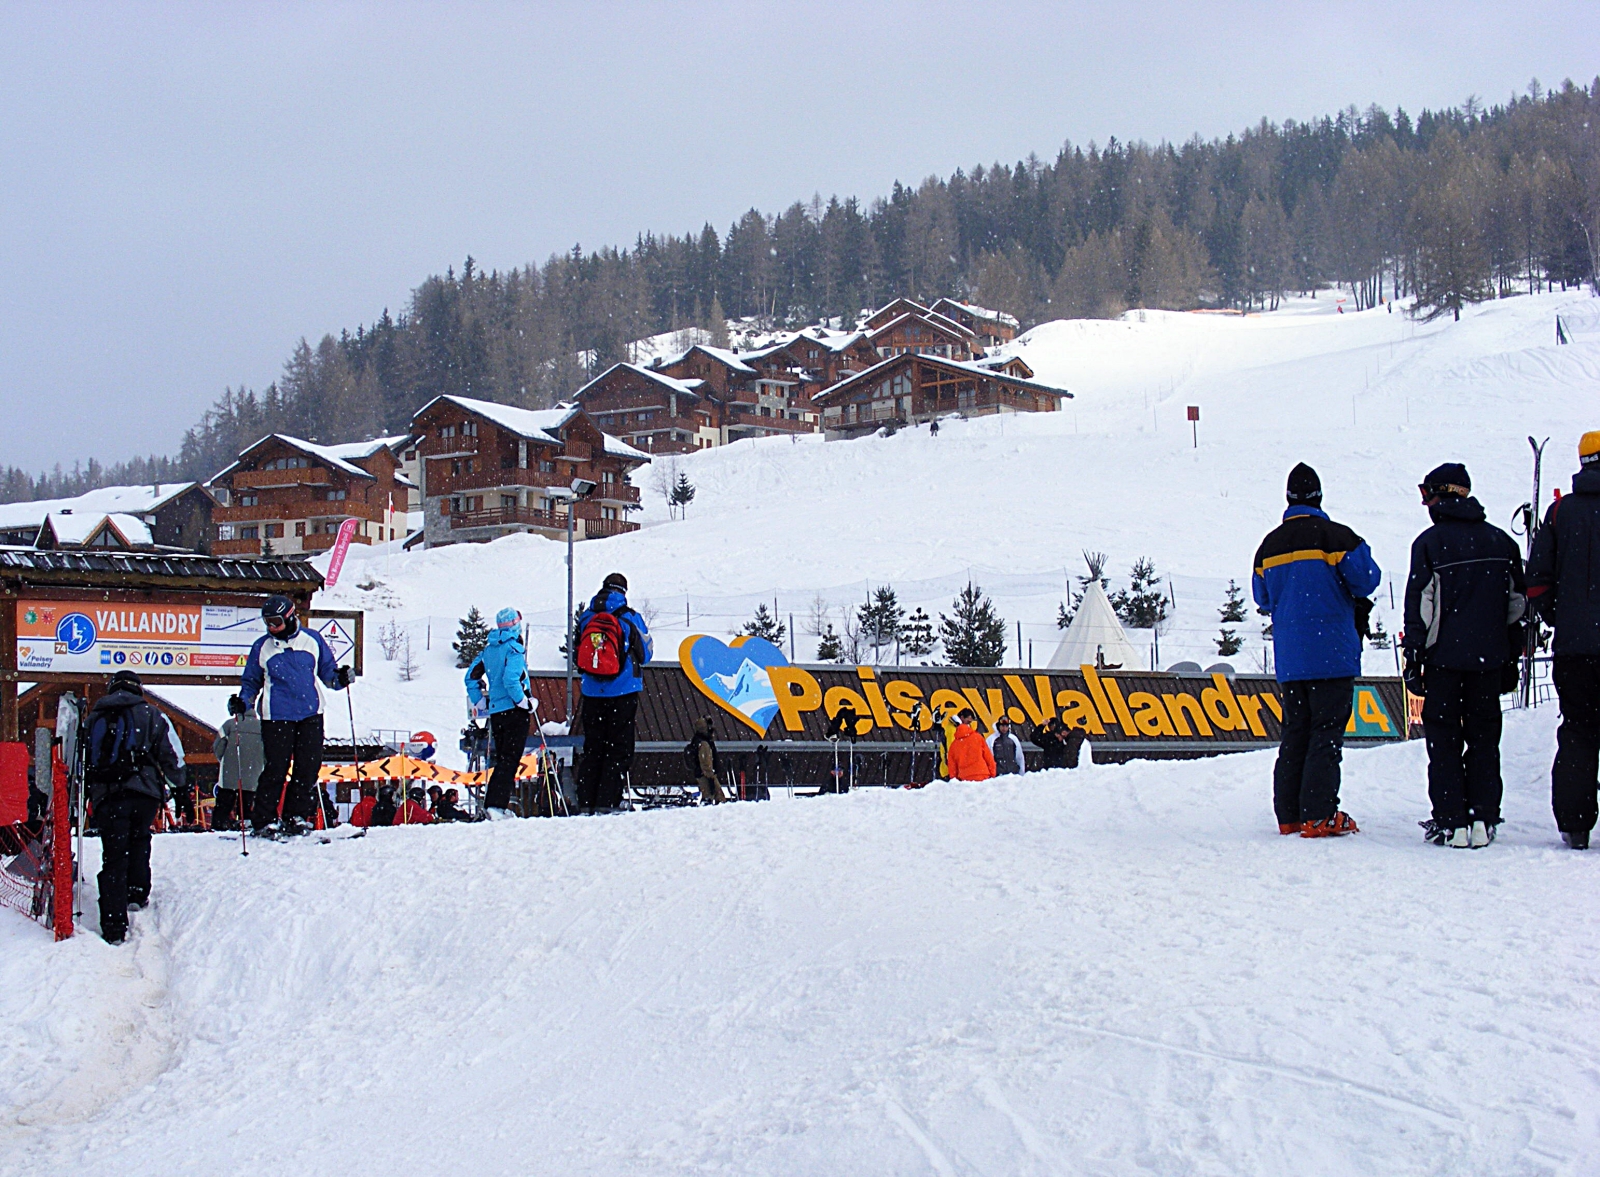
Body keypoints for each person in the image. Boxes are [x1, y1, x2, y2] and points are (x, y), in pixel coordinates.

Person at [1252, 462, 1381, 838]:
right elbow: (1366, 580)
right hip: (1332, 654)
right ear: (1319, 496)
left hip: (1292, 660)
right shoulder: (1337, 537)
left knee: (1295, 733)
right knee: (1326, 734)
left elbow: (1262, 598)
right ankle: (1319, 814)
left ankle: (1290, 815)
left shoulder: (1268, 547)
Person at [1403, 463, 1525, 849]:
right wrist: (1509, 655)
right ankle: (1483, 818)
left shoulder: (1429, 543)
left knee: (1443, 740)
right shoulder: (1502, 543)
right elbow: (1516, 607)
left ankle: (1451, 819)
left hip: (1443, 661)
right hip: (1489, 660)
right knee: (1485, 737)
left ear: (1441, 495)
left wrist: (1414, 656)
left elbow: (1421, 607)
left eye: (1427, 494)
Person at [1527, 431, 1600, 849]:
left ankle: (1575, 824)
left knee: (1578, 731)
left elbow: (1536, 581)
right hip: (1577, 641)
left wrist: (1561, 617)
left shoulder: (1558, 514)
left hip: (1574, 650)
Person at [83, 670, 184, 944]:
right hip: (144, 792)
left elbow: (82, 760)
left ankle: (114, 925)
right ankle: (137, 892)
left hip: (108, 795)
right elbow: (171, 754)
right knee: (139, 838)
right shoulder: (152, 715)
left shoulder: (93, 719)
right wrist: (179, 785)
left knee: (113, 855)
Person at [240, 595, 351, 837]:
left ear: (290, 617)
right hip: (276, 716)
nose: (271, 627)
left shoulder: (312, 640)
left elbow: (328, 674)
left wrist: (340, 679)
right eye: (267, 622)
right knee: (276, 768)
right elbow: (251, 682)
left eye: (276, 621)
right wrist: (243, 701)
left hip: (310, 714)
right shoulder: (262, 646)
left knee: (308, 768)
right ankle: (263, 820)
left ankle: (296, 817)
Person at [574, 573, 653, 812]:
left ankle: (586, 801)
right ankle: (607, 802)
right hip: (623, 691)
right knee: (618, 749)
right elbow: (646, 654)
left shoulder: (587, 617)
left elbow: (578, 651)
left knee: (593, 748)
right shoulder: (630, 617)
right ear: (623, 592)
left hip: (591, 692)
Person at [465, 607, 534, 820]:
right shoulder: (514, 649)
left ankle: (493, 803)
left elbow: (470, 678)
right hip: (514, 710)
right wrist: (524, 701)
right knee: (510, 760)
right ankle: (496, 805)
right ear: (515, 624)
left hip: (496, 712)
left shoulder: (488, 649)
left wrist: (480, 701)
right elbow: (511, 679)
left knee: (502, 759)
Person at [211, 694, 264, 830]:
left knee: (224, 804)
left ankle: (219, 826)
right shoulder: (262, 727)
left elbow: (218, 747)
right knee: (247, 804)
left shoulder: (229, 725)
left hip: (229, 775)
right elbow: (268, 753)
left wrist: (225, 760)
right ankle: (246, 824)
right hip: (254, 776)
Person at [946, 710, 996, 781]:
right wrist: (992, 774)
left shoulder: (954, 744)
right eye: (968, 721)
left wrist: (954, 780)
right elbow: (989, 758)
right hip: (983, 775)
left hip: (964, 778)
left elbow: (952, 766)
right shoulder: (978, 737)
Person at [686, 716, 726, 805]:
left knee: (710, 797)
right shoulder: (704, 743)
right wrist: (711, 776)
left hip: (703, 774)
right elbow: (705, 762)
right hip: (706, 775)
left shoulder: (699, 740)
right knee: (715, 797)